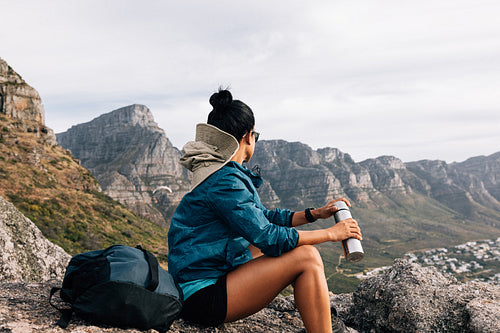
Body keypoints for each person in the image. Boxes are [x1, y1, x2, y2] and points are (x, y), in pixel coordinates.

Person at [167, 89, 362, 333]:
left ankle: (318, 318)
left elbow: (262, 219)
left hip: (203, 280)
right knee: (307, 257)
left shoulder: (219, 172)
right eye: (255, 135)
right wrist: (332, 233)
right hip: (202, 297)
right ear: (248, 137)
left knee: (278, 247)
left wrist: (314, 214)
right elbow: (269, 237)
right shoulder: (224, 181)